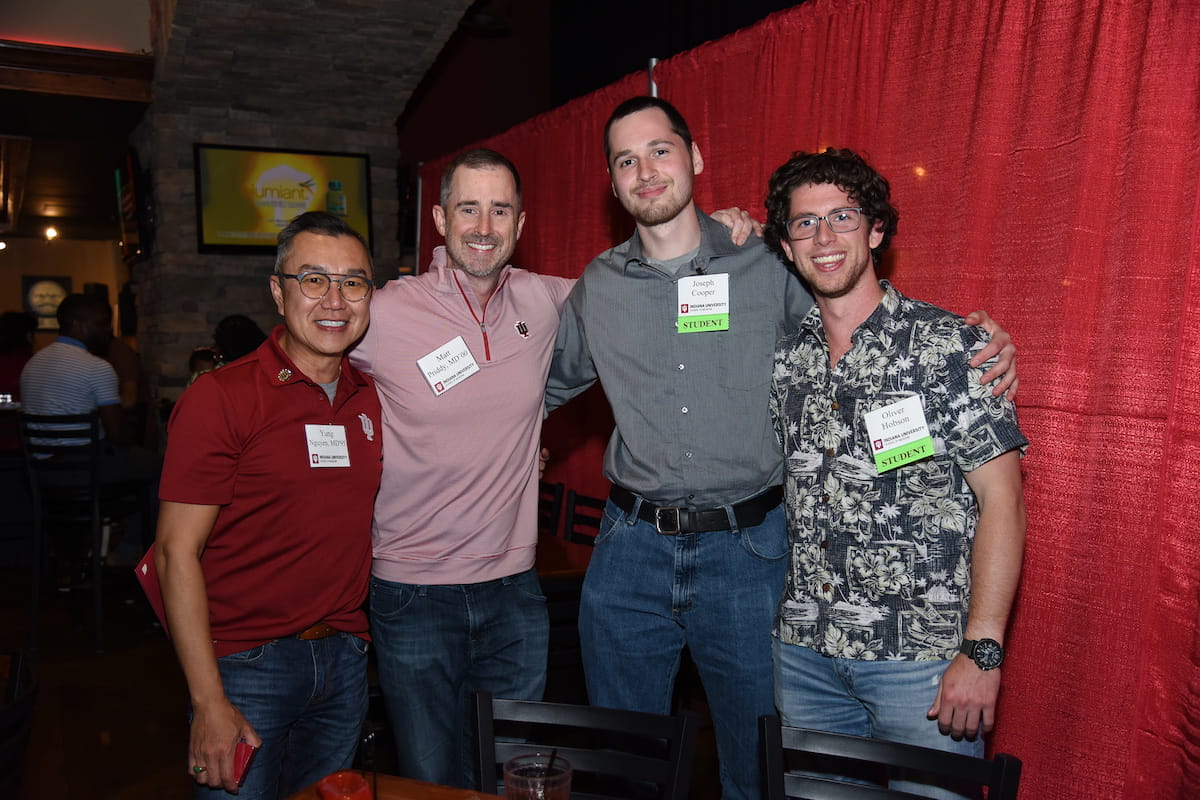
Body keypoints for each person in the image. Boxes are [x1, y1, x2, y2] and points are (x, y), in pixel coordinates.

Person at [544, 97, 1018, 800]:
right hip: (629, 556)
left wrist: (978, 340)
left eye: (661, 150)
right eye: (626, 160)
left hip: (748, 555)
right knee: (628, 763)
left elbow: (860, 312)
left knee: (757, 770)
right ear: (612, 185)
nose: (646, 171)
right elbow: (537, 388)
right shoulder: (596, 288)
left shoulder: (764, 264)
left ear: (695, 158)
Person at [763, 148, 1027, 799]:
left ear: (875, 230)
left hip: (924, 666)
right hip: (806, 657)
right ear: (787, 248)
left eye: (842, 217)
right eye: (805, 224)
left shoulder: (950, 347)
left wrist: (983, 649)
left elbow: (1004, 502)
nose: (824, 238)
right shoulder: (786, 363)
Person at [348, 148, 573, 789]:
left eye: (499, 209)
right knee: (429, 780)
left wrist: (719, 237)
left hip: (515, 592)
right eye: (467, 207)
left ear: (521, 224)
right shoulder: (386, 311)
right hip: (411, 593)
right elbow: (307, 365)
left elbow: (643, 289)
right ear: (441, 221)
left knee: (514, 776)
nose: (483, 225)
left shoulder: (546, 299)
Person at [155, 211, 381, 799]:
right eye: (313, 279)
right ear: (278, 292)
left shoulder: (372, 399)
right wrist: (208, 701)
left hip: (346, 659)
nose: (335, 299)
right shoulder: (222, 398)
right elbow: (175, 551)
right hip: (245, 668)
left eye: (353, 282)